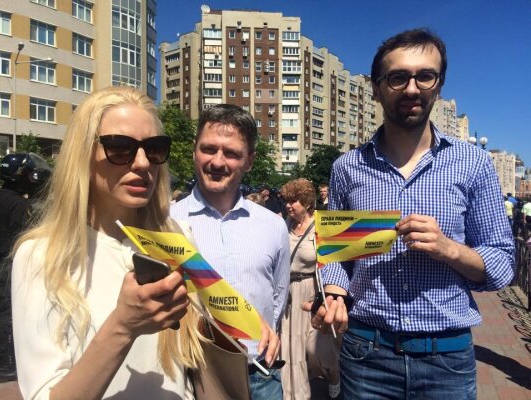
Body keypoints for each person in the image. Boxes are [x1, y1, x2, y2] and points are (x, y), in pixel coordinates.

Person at [304, 28, 515, 399]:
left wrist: (449, 249)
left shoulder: (473, 163)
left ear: (438, 85)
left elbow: (502, 263)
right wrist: (334, 295)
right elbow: (336, 256)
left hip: (446, 358)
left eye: (425, 76)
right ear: (376, 88)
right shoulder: (347, 168)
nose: (412, 89)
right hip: (366, 353)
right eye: (398, 77)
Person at [11, 86, 205, 399]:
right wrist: (123, 327)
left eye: (154, 148)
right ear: (83, 156)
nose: (142, 163)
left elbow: (192, 361)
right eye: (119, 147)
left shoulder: (179, 237)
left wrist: (244, 327)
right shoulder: (42, 255)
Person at [170, 104, 290, 400]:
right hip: (192, 375)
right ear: (194, 151)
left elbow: (277, 297)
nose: (217, 161)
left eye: (232, 153)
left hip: (261, 376)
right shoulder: (167, 222)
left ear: (250, 161)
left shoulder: (273, 226)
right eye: (208, 149)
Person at [279, 178, 340, 400]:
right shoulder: (283, 225)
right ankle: (295, 394)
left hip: (312, 292)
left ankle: (333, 376)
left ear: (306, 202)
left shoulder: (321, 227)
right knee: (290, 346)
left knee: (316, 350)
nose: (288, 205)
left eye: (293, 201)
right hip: (287, 292)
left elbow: (333, 263)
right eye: (287, 200)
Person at [0, 153, 44, 383]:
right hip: (7, 264)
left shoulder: (1, 196)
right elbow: (28, 234)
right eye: (28, 173)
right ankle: (6, 363)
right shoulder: (19, 204)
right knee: (7, 312)